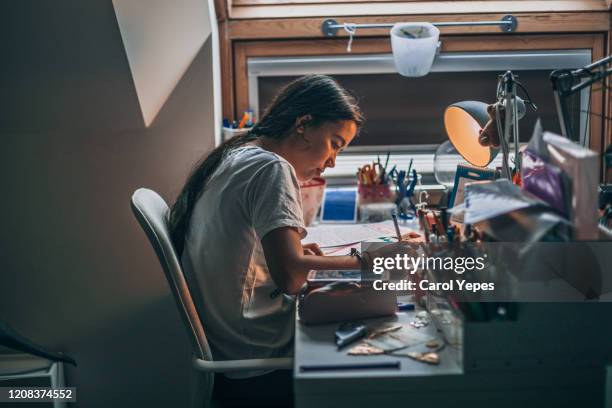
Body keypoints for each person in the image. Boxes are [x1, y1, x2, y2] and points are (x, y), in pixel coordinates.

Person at [168, 75, 364, 406]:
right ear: (303, 124)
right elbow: (290, 277)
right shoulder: (272, 168)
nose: (333, 161)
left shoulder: (239, 155)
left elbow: (255, 254)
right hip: (259, 361)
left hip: (231, 353)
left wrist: (301, 257)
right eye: (335, 143)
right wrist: (366, 261)